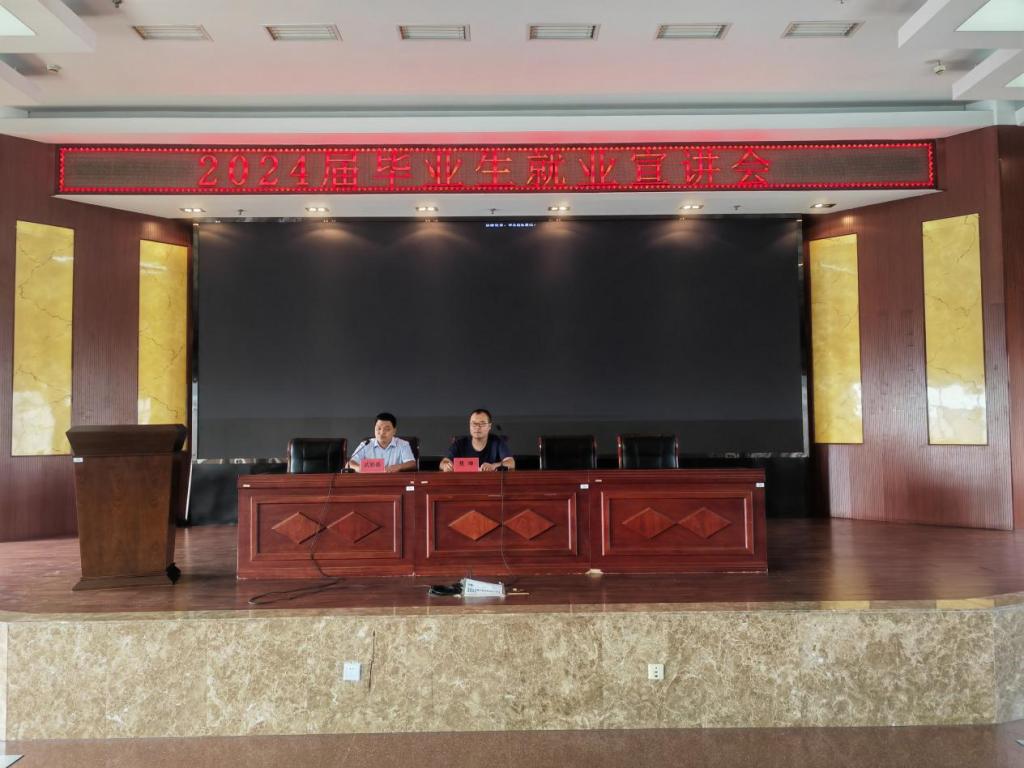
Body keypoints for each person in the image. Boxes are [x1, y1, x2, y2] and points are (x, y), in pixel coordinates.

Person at [439, 408, 515, 472]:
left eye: (482, 424)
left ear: (489, 426)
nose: (477, 427)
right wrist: (446, 465)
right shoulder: (459, 443)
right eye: (474, 424)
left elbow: (511, 463)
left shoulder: (497, 442)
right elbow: (443, 463)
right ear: (469, 425)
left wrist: (493, 466)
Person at [347, 412, 417, 473]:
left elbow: (412, 464)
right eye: (378, 428)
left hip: (394, 481)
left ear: (394, 431)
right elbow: (351, 463)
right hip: (370, 481)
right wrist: (359, 468)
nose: (382, 432)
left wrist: (398, 467)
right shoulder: (365, 444)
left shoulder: (403, 444)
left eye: (387, 429)